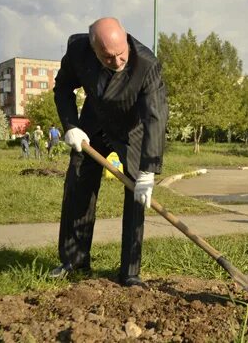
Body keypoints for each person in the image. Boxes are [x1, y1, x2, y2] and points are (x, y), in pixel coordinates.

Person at [50, 17, 169, 287]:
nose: (116, 62)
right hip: (93, 122)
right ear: (93, 49)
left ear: (126, 39)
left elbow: (155, 117)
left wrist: (148, 170)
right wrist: (70, 125)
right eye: (107, 58)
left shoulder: (146, 64)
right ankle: (74, 261)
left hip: (132, 130)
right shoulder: (78, 50)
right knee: (78, 185)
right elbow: (63, 87)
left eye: (120, 55)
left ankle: (130, 273)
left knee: (137, 197)